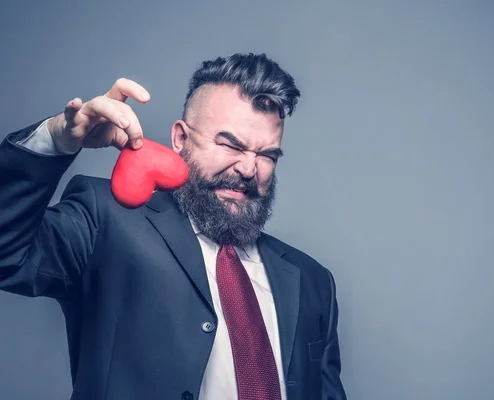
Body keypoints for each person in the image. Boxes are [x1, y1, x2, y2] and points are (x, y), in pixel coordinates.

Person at [0, 53, 346, 400]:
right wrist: (57, 140)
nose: (248, 168)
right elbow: (8, 256)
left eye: (267, 155)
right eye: (230, 144)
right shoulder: (105, 219)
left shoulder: (313, 281)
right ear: (180, 138)